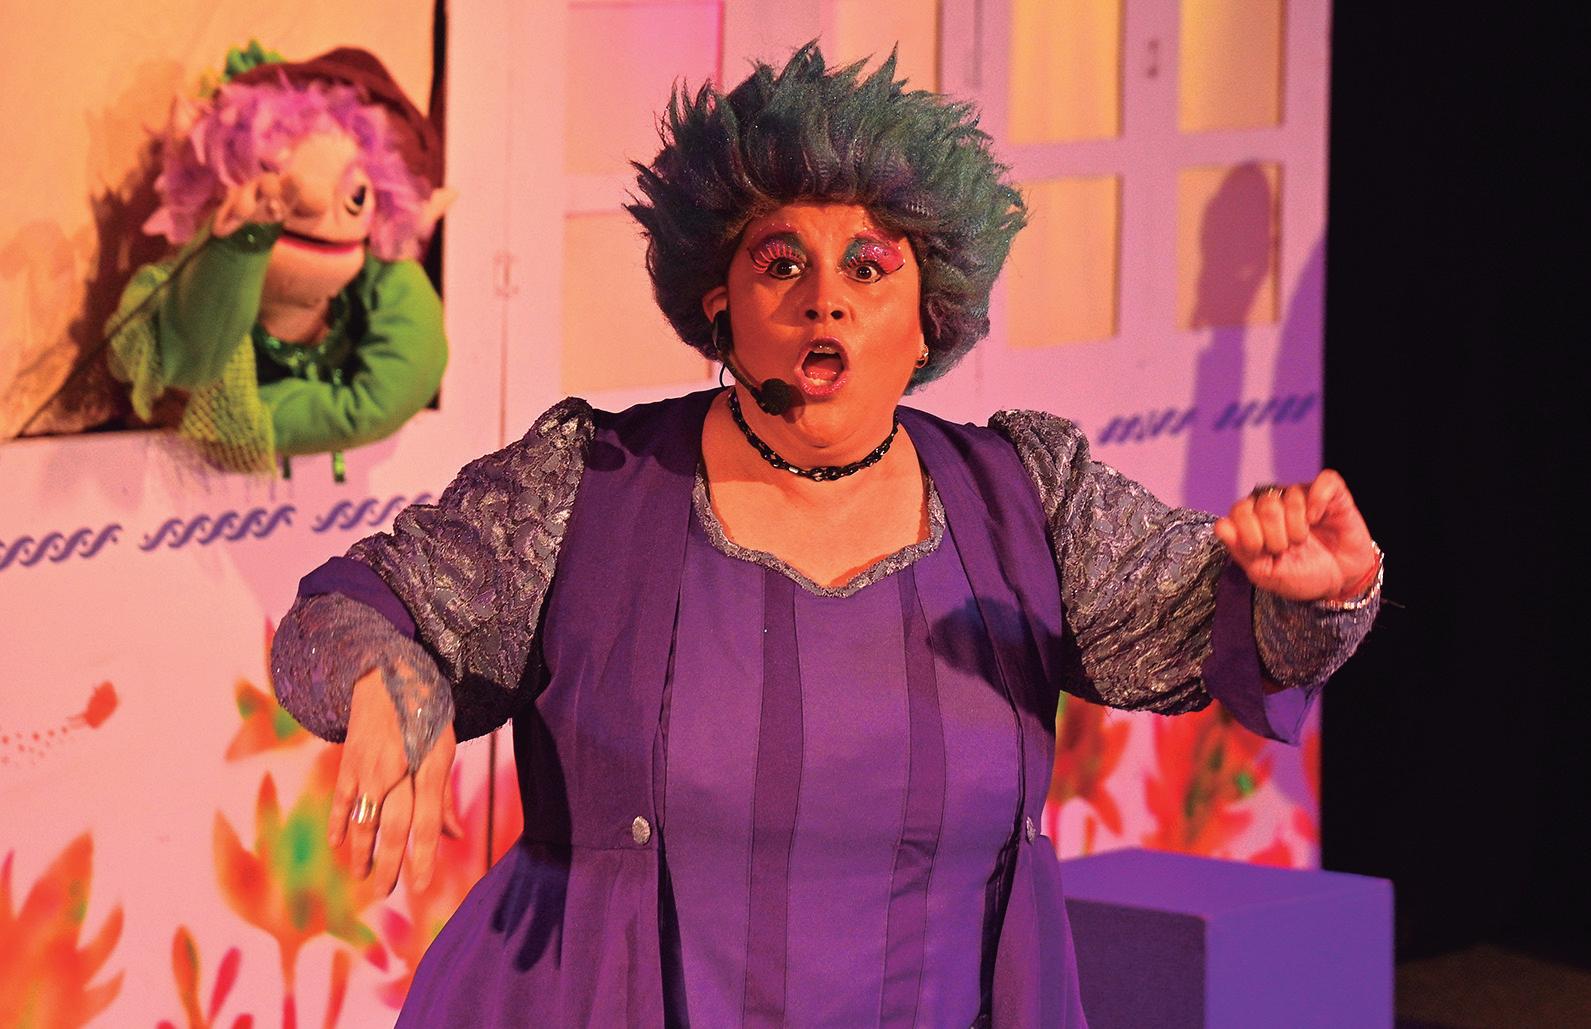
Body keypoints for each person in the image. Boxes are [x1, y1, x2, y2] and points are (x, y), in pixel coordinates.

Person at [271, 45, 1381, 1026]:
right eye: (780, 262)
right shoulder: (588, 485)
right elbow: (351, 612)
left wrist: (1318, 594)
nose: (824, 299)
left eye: (868, 265)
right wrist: (382, 674)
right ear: (719, 307)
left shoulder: (1023, 497)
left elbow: (1214, 628)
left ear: (928, 319)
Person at [108, 45, 451, 476]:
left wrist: (392, 245)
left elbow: (402, 380)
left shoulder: (364, 289)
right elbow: (188, 359)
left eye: (357, 196)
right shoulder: (180, 284)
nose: (312, 201)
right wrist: (237, 244)